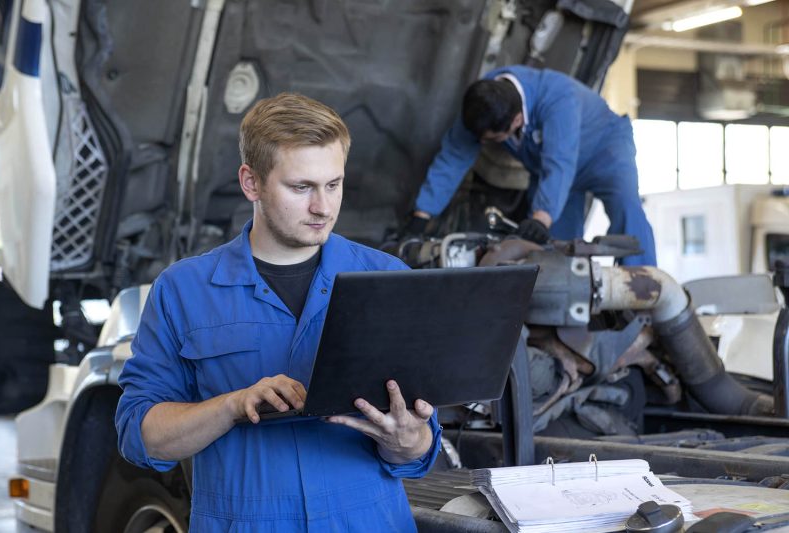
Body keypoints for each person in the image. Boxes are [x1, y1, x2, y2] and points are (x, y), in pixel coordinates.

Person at [115, 93, 442, 532]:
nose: (323, 207)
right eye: (301, 187)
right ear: (251, 183)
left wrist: (409, 441)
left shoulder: (388, 278)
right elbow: (140, 435)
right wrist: (232, 405)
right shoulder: (183, 290)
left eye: (333, 184)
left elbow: (420, 448)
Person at [409, 64, 657, 266]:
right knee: (555, 247)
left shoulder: (557, 97)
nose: (483, 143)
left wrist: (541, 218)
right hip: (551, 171)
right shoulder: (483, 102)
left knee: (627, 210)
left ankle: (642, 291)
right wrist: (421, 217)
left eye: (492, 140)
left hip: (605, 151)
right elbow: (453, 157)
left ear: (517, 120)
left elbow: (560, 162)